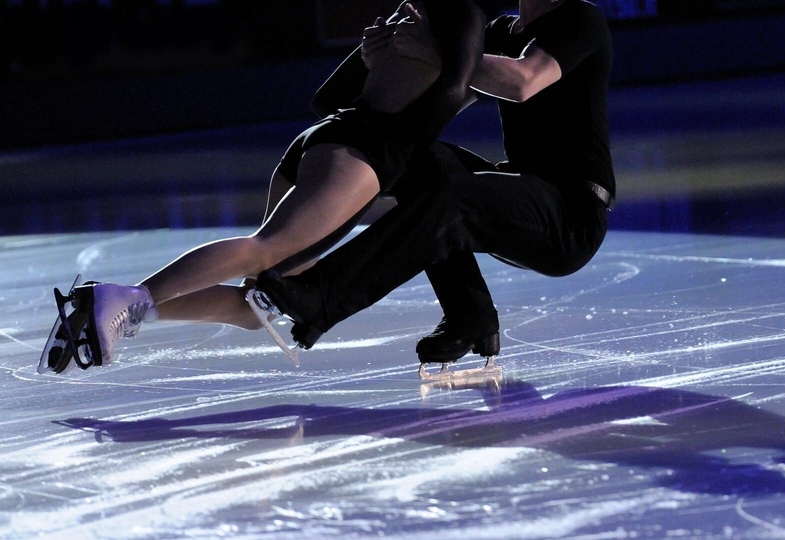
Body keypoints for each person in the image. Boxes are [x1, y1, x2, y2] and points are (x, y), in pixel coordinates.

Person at [41, 0, 489, 373]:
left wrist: (384, 78)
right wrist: (406, 143)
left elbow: (325, 101)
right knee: (268, 248)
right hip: (364, 151)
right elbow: (454, 90)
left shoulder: (401, 18)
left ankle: (109, 305)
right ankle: (128, 298)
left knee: (257, 307)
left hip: (329, 141)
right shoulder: (461, 14)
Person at [253, 0, 615, 371]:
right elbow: (400, 99)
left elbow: (524, 81)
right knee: (415, 160)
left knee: (455, 199)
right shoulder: (500, 32)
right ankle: (470, 316)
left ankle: (323, 297)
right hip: (522, 188)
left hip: (571, 213)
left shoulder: (580, 17)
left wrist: (432, 50)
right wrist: (375, 59)